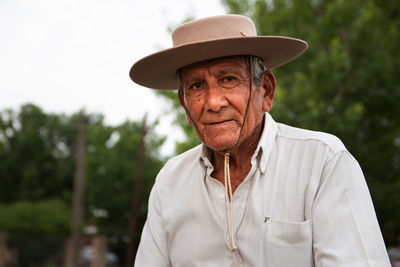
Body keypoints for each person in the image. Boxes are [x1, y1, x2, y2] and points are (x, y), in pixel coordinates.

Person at [129, 14, 390, 266]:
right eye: (196, 86)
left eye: (228, 79)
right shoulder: (170, 182)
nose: (213, 102)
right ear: (185, 105)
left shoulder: (322, 162)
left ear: (265, 90)